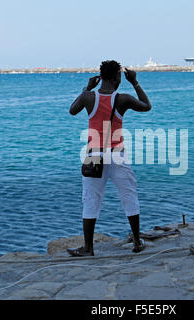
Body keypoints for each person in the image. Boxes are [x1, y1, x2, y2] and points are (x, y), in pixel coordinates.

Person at [67, 60, 152, 256]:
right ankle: (137, 241)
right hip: (117, 155)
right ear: (116, 77)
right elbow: (147, 106)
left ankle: (88, 248)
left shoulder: (88, 97)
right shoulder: (123, 99)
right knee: (128, 196)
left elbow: (72, 110)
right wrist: (135, 83)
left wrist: (87, 88)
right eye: (120, 77)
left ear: (101, 77)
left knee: (90, 200)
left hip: (93, 154)